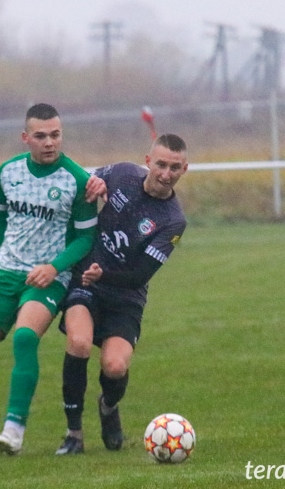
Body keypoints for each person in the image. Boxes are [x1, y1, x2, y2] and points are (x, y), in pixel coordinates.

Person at [0, 103, 99, 457]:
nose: (50, 142)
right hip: (5, 271)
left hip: (49, 277)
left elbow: (84, 238)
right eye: (41, 136)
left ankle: (13, 430)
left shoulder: (78, 181)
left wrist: (53, 266)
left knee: (24, 337)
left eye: (56, 135)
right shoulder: (8, 172)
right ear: (25, 138)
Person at [54, 134, 188, 455]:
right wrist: (96, 184)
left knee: (114, 366)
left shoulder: (173, 221)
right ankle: (74, 433)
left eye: (174, 167)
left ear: (185, 169)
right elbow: (89, 179)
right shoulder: (124, 174)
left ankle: (109, 407)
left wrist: (105, 273)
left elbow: (140, 275)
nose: (165, 173)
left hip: (126, 297)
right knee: (79, 343)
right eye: (160, 164)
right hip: (86, 283)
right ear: (147, 161)